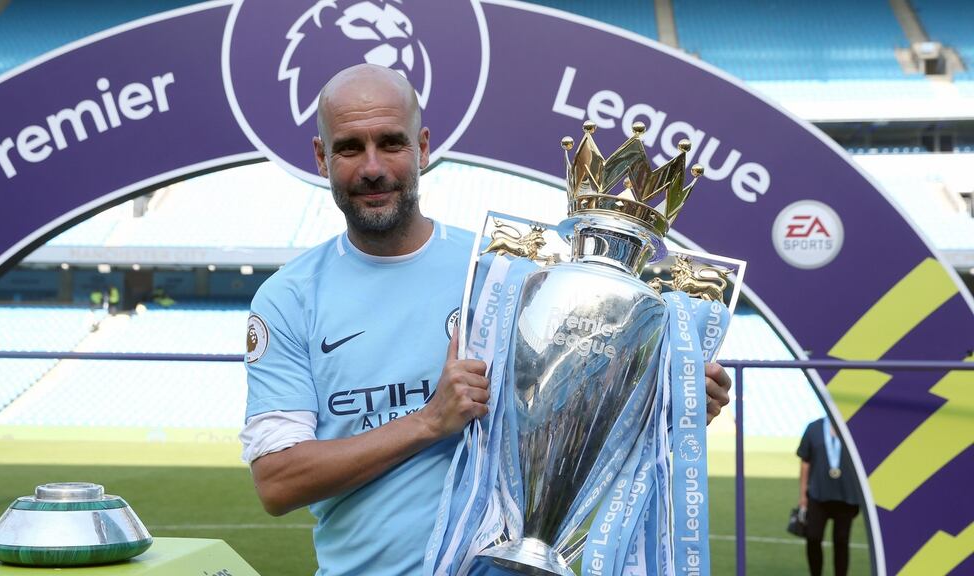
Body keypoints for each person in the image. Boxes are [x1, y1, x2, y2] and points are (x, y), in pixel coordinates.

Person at [240, 64, 733, 575]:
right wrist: (429, 422)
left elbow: (575, 422)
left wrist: (668, 399)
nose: (372, 167)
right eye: (348, 148)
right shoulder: (288, 298)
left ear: (422, 148)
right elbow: (278, 482)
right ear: (321, 157)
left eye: (391, 143)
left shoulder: (506, 275)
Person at [797, 417, 861, 576]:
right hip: (817, 494)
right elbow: (805, 462)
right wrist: (803, 496)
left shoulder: (855, 427)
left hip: (847, 496)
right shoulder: (814, 428)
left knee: (841, 541)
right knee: (813, 537)